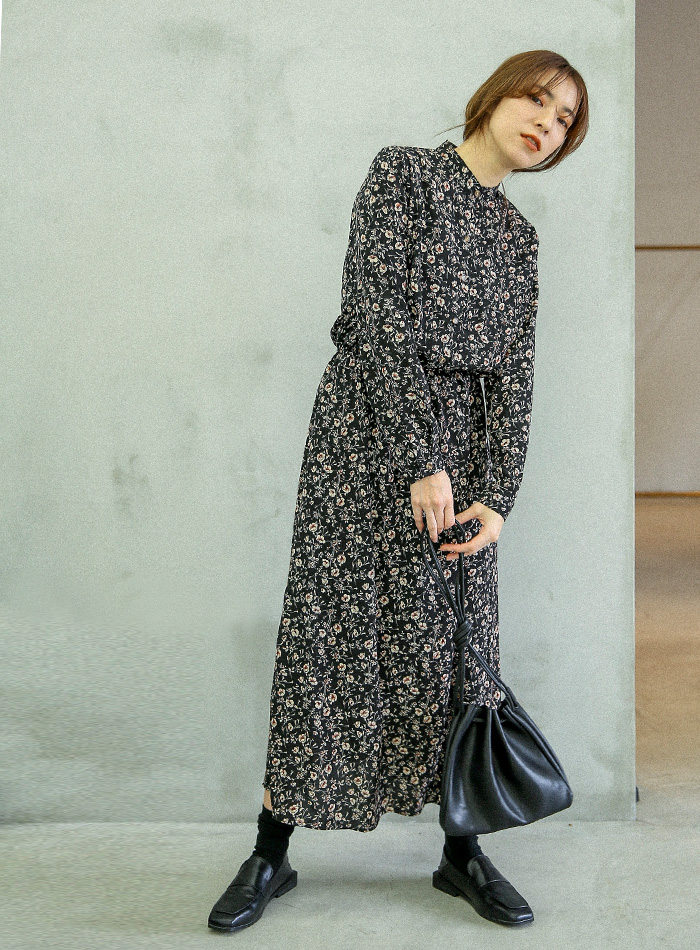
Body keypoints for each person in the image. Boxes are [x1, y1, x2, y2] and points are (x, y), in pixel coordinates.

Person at [208, 49, 589, 932]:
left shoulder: (519, 238)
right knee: (331, 633)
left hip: (465, 455)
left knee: (460, 649)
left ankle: (462, 853)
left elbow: (515, 374)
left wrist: (499, 495)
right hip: (366, 434)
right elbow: (376, 316)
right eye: (537, 99)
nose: (548, 122)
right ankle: (270, 850)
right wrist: (420, 456)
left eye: (567, 117)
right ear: (495, 97)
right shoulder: (404, 175)